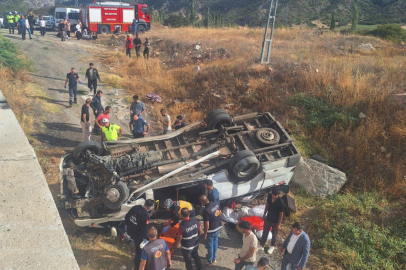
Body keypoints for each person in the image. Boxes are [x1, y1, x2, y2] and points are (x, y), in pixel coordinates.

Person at [125, 199, 155, 270]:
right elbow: (144, 229)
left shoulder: (135, 207)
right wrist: (146, 239)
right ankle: (137, 267)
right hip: (137, 235)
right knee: (139, 252)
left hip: (130, 231)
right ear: (150, 207)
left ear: (145, 203)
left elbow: (127, 216)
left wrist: (126, 226)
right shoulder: (145, 216)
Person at [260, 186, 284, 254]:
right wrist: (264, 214)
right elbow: (267, 205)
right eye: (273, 195)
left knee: (274, 234)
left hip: (275, 221)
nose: (274, 196)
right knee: (265, 232)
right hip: (268, 218)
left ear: (278, 195)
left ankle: (272, 246)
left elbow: (281, 214)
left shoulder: (280, 202)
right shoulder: (270, 196)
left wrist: (278, 224)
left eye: (275, 195)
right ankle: (262, 244)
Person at [199, 195, 222, 266]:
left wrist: (205, 233)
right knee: (215, 243)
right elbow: (220, 212)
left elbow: (206, 224)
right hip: (218, 226)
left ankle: (209, 261)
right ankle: (214, 258)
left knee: (210, 246)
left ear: (202, 202)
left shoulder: (206, 210)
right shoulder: (215, 203)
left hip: (211, 230)